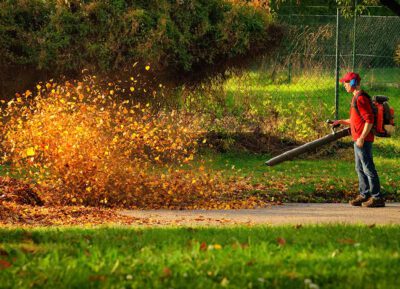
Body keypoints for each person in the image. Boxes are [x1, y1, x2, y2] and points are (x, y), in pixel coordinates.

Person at [332, 72, 385, 208]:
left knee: (368, 168)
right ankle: (364, 194)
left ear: (353, 83)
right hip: (358, 139)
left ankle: (377, 197)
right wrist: (340, 121)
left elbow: (369, 120)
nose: (344, 85)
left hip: (363, 140)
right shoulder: (356, 98)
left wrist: (361, 137)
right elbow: (356, 120)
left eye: (346, 83)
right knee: (359, 168)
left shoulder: (360, 98)